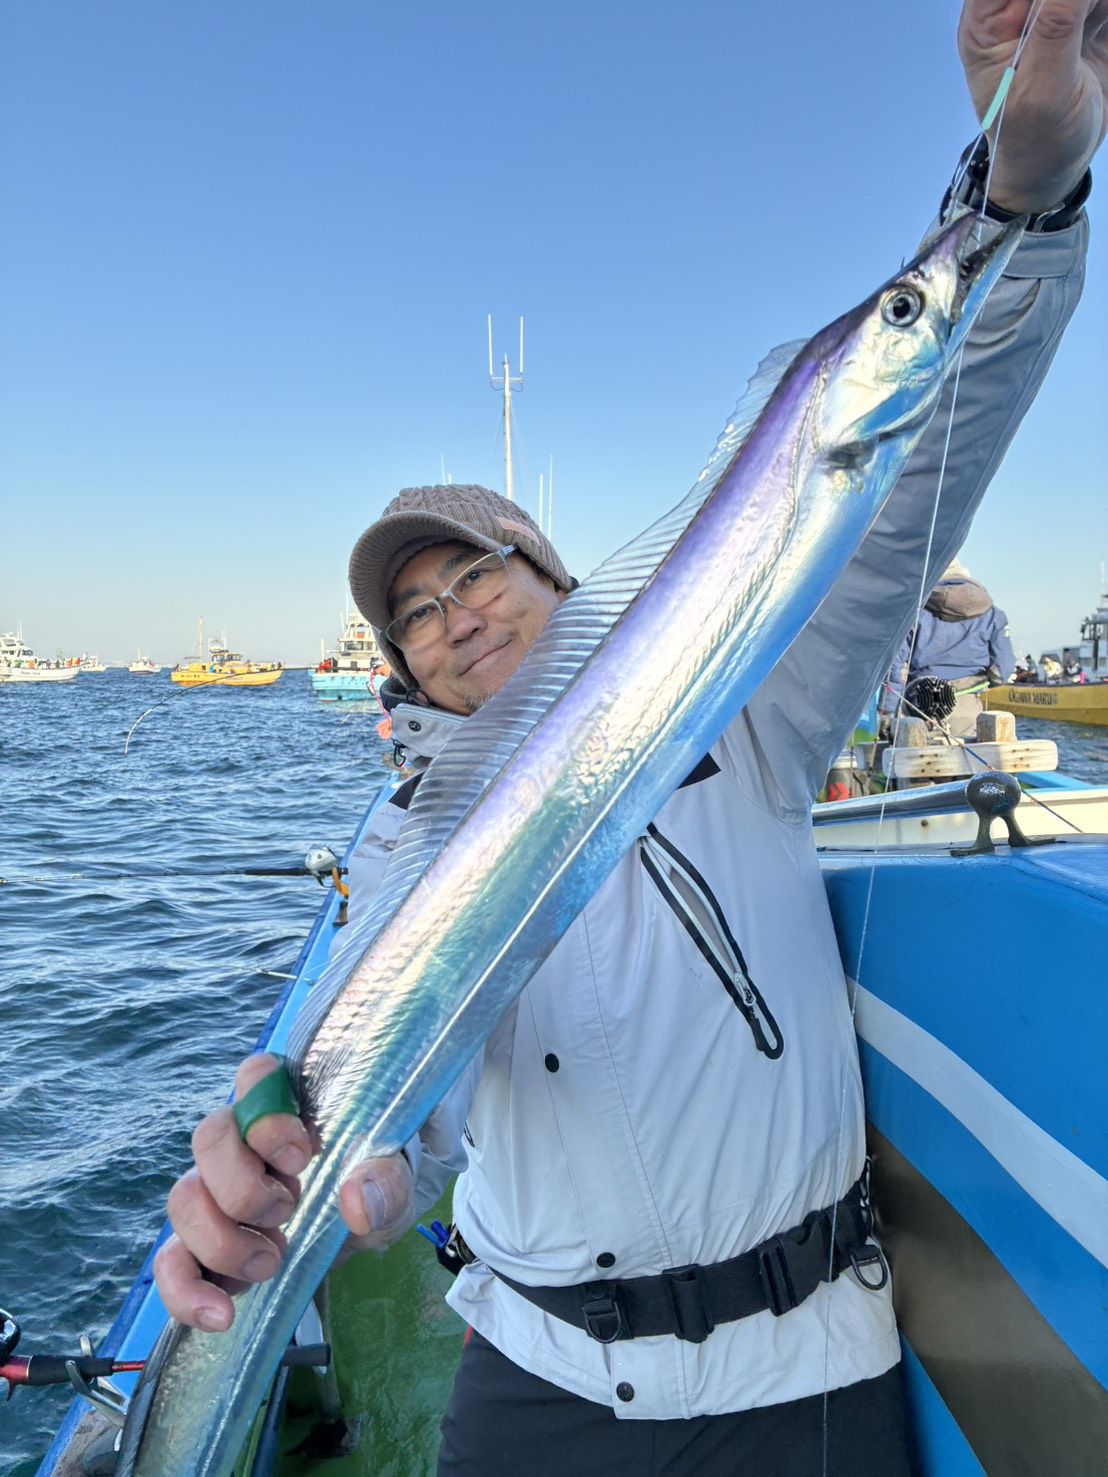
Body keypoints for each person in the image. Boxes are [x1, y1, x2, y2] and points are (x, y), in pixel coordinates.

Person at [153, 5, 1105, 1472]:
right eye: (415, 614)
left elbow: (924, 451)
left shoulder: (752, 704)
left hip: (802, 1363)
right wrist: (329, 1170)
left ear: (559, 585)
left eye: (478, 574)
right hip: (534, 1375)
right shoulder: (402, 854)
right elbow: (403, 1131)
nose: (454, 618)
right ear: (402, 667)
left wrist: (1022, 198)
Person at [882, 561, 1017, 739]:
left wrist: (887, 712)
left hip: (920, 706)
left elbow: (896, 668)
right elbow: (1002, 671)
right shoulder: (993, 614)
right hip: (967, 707)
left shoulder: (914, 612)